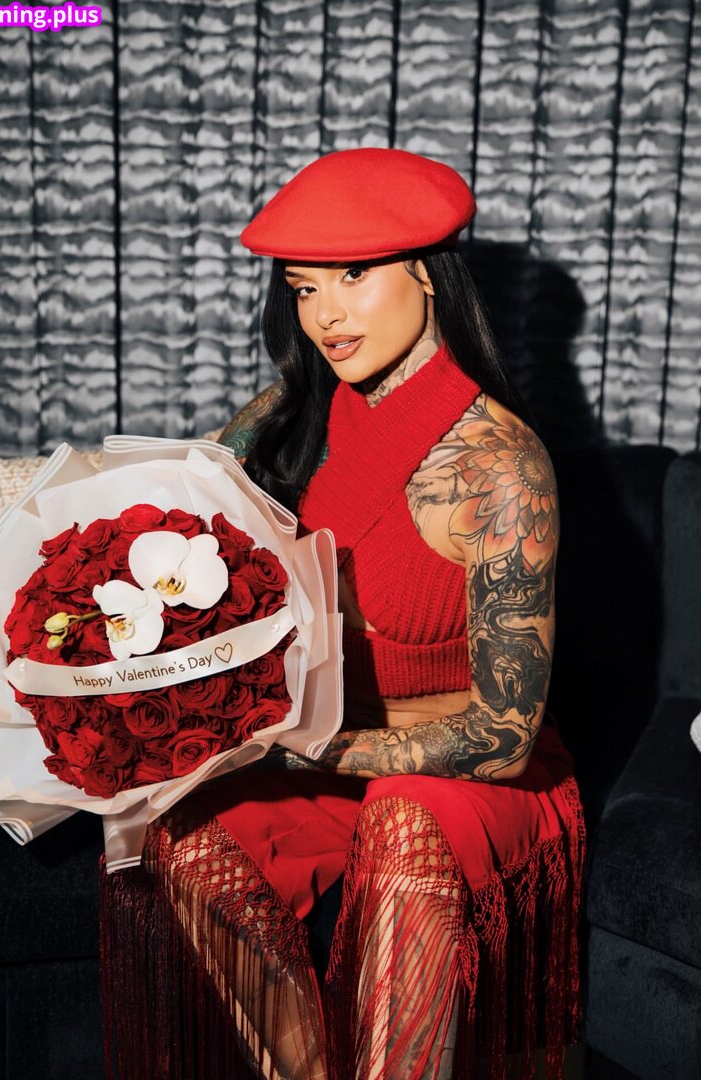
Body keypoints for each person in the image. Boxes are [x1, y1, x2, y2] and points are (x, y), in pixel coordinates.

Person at [100, 148, 585, 1080]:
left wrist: (295, 749)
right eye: (303, 287)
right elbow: (177, 520)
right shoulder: (299, 407)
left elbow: (504, 739)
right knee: (176, 829)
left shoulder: (500, 471)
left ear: (429, 276)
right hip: (326, 735)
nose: (325, 314)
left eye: (353, 276)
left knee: (402, 825)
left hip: (465, 765)